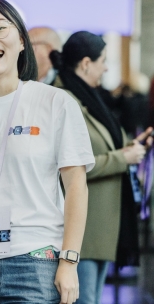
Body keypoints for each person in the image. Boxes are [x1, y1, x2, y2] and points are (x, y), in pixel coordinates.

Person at [0, 0, 95, 304]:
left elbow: (76, 186)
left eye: (0, 27)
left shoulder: (55, 102)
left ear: (23, 41)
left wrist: (69, 260)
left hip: (35, 260)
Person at [49, 31, 153, 304]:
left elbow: (105, 146)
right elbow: (74, 165)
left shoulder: (91, 99)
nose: (106, 67)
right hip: (83, 228)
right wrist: (123, 158)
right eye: (103, 61)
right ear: (86, 63)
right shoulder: (64, 100)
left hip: (102, 226)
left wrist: (132, 146)